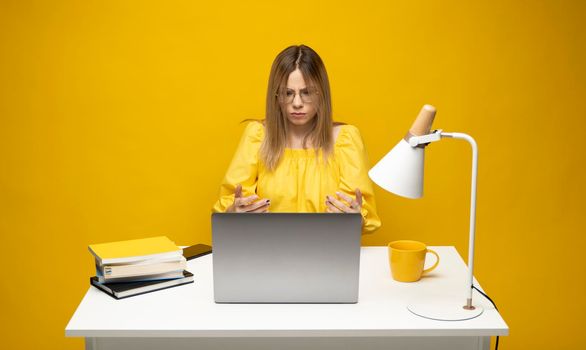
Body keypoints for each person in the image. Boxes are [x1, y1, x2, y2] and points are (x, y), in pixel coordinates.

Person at [212, 45, 381, 234]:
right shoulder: (257, 136)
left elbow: (365, 215)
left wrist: (356, 216)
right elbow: (227, 204)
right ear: (275, 96)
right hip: (267, 250)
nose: (297, 103)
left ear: (322, 94)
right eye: (288, 93)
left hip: (327, 250)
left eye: (307, 93)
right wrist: (233, 211)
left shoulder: (346, 139)